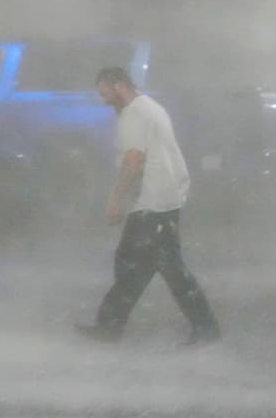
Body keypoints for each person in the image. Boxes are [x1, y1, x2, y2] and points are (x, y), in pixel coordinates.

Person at [78, 67, 221, 346]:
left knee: (156, 268)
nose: (105, 101)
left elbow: (134, 160)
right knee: (139, 265)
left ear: (119, 86)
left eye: (106, 94)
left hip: (152, 203)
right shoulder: (150, 107)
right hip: (164, 199)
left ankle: (204, 330)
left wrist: (116, 198)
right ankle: (110, 325)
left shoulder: (134, 114)